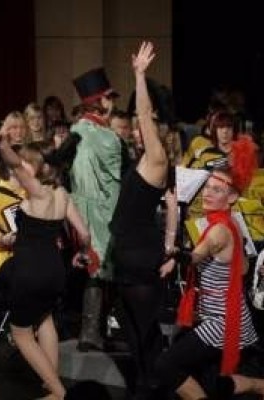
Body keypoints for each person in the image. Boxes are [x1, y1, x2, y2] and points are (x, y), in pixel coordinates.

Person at [157, 157, 264, 399]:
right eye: (206, 187)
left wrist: (173, 242)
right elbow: (243, 268)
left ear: (232, 197)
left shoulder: (218, 230)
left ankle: (256, 385)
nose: (207, 193)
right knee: (212, 382)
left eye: (217, 190)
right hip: (227, 314)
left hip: (223, 321)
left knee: (166, 366)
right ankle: (255, 385)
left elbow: (194, 257)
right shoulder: (230, 223)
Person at [0, 125, 91, 400]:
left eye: (28, 162)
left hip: (30, 271)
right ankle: (50, 386)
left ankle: (59, 392)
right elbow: (85, 234)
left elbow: (14, 164)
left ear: (41, 167)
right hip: (54, 271)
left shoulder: (38, 192)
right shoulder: (62, 194)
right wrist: (82, 253)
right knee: (45, 319)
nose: (23, 165)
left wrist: (2, 145)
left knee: (21, 333)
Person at [109, 42, 177, 398]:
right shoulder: (141, 160)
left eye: (141, 129)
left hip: (139, 253)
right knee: (130, 326)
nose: (137, 131)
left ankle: (157, 386)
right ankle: (143, 384)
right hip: (127, 253)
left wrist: (139, 76)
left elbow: (145, 113)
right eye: (134, 129)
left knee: (146, 330)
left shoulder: (157, 159)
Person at [70, 66, 122, 352]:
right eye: (108, 97)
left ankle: (92, 330)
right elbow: (118, 176)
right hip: (103, 210)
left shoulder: (76, 130)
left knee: (94, 269)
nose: (112, 102)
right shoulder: (106, 137)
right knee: (102, 270)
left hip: (80, 210)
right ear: (98, 102)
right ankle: (93, 330)